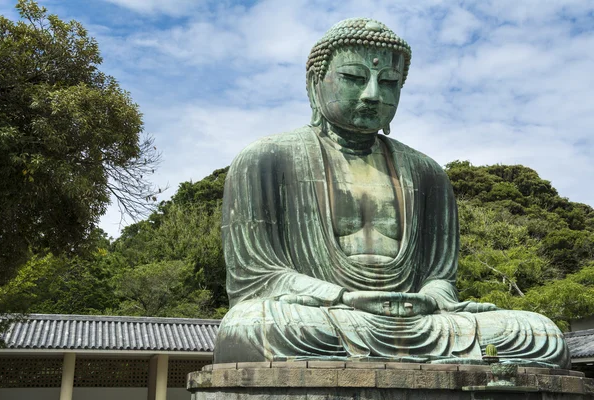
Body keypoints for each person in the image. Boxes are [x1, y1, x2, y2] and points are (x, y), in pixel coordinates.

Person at [213, 18, 570, 368]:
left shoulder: (427, 172)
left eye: (388, 83)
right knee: (252, 325)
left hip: (418, 320)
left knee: (539, 333)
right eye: (354, 78)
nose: (372, 94)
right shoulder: (266, 159)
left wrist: (429, 299)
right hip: (321, 315)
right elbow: (257, 276)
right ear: (314, 83)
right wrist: (343, 296)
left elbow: (440, 277)